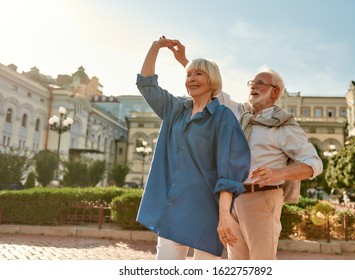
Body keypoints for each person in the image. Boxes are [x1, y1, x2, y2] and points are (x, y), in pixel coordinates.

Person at [172, 43, 323, 260]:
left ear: (276, 91)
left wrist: (280, 173)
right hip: (231, 199)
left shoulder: (284, 125)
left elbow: (314, 163)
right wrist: (186, 62)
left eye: (261, 83)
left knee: (261, 263)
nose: (253, 86)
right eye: (252, 82)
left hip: (261, 198)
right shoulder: (239, 113)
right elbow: (215, 91)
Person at [135, 37, 251, 260]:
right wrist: (155, 46)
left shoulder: (223, 117)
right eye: (188, 75)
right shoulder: (175, 109)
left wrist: (224, 215)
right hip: (173, 206)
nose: (191, 78)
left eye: (199, 73)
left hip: (207, 210)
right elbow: (146, 84)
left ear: (213, 80)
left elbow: (229, 170)